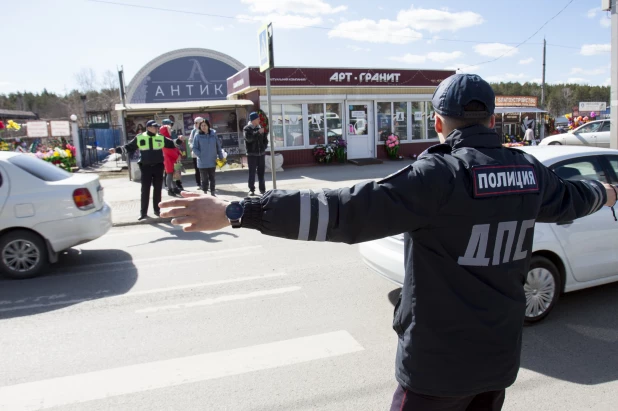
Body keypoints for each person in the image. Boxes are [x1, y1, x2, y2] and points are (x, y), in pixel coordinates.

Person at [159, 74, 618, 411]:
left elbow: (341, 213)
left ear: (439, 123)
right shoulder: (529, 173)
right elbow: (579, 198)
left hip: (437, 370)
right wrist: (610, 191)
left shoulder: (441, 174)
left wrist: (238, 210)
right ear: (494, 119)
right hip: (498, 364)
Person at [109, 120, 183, 220]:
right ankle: (143, 213)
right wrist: (116, 150)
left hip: (158, 166)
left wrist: (179, 140)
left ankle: (157, 210)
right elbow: (129, 147)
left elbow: (171, 143)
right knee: (145, 190)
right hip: (146, 167)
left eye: (157, 127)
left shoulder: (160, 137)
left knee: (157, 190)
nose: (156, 128)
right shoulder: (140, 137)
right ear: (148, 128)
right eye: (154, 127)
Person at [192, 119, 223, 196]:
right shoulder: (197, 136)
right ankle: (205, 192)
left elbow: (218, 146)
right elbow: (194, 147)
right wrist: (200, 154)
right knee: (204, 179)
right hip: (202, 161)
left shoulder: (213, 134)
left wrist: (220, 155)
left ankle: (213, 192)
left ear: (208, 126)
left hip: (212, 160)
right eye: (202, 125)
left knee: (212, 178)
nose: (203, 127)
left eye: (205, 125)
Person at [244, 112, 269, 196]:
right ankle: (251, 189)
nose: (259, 120)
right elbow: (249, 139)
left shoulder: (260, 127)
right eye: (257, 118)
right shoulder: (247, 129)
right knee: (252, 172)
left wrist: (264, 147)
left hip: (261, 154)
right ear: (253, 120)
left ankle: (262, 189)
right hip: (252, 154)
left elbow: (265, 140)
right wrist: (258, 132)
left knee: (261, 172)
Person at [189, 116, 204, 189]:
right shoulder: (193, 131)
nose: (195, 124)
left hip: (204, 154)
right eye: (194, 123)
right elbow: (190, 141)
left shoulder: (206, 130)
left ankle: (205, 183)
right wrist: (193, 147)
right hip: (195, 154)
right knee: (197, 169)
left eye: (196, 123)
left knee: (205, 169)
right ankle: (199, 183)